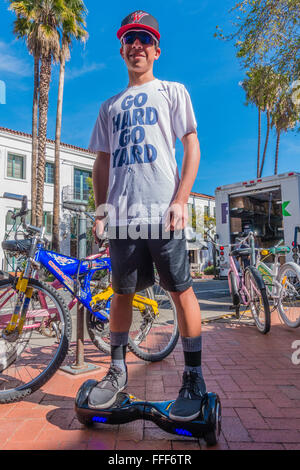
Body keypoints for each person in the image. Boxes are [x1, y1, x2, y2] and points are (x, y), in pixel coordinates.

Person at [88, 10, 207, 422]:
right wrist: (101, 208)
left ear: (156, 49)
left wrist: (182, 199)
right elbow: (101, 162)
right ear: (122, 48)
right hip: (121, 216)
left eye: (144, 38)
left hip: (164, 212)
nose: (136, 45)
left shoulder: (173, 91)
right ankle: (117, 369)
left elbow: (191, 146)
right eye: (129, 38)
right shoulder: (109, 106)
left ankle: (193, 378)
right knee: (122, 293)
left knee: (180, 291)